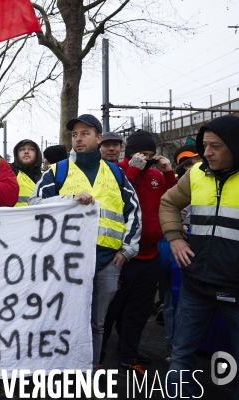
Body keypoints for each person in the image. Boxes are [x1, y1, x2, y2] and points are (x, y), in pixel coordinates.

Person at [29, 114, 141, 374]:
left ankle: (87, 374)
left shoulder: (116, 173)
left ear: (99, 139)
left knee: (96, 325)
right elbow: (34, 206)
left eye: (85, 134)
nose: (78, 139)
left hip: (107, 263)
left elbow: (133, 213)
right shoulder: (57, 171)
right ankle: (58, 373)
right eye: (74, 135)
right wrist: (68, 198)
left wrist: (126, 251)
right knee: (62, 320)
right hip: (67, 263)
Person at [160, 115, 239, 399]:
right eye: (205, 145)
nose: (207, 153)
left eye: (215, 146)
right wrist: (175, 238)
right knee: (181, 356)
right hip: (197, 286)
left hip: (236, 290)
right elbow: (168, 202)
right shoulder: (195, 174)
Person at [100, 129, 176, 375]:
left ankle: (128, 355)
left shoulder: (155, 174)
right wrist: (132, 169)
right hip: (122, 255)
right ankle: (98, 356)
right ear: (131, 153)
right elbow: (117, 198)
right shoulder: (117, 171)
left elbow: (173, 199)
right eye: (141, 153)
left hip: (150, 254)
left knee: (139, 311)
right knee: (111, 311)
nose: (145, 158)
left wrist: (168, 172)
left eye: (149, 154)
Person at [10, 139, 42, 206]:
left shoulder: (46, 175)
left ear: (37, 154)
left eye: (31, 149)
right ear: (16, 154)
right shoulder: (10, 171)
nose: (26, 152)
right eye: (22, 149)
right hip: (17, 215)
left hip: (41, 216)